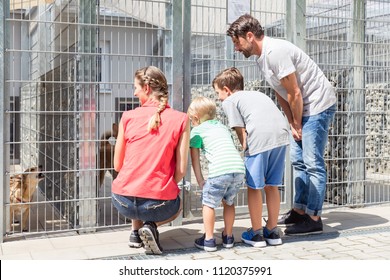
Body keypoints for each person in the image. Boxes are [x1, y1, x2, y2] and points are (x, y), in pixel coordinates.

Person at [227, 14, 337, 235]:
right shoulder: (261, 58)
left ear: (249, 36)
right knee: (297, 161)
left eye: (237, 42)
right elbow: (281, 93)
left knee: (312, 162)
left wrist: (297, 122)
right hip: (299, 108)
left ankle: (314, 217)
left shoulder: (275, 51)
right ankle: (299, 211)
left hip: (317, 105)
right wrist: (291, 121)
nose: (237, 49)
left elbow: (294, 92)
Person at [111, 66, 190, 255]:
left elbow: (117, 166)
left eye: (136, 87)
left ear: (146, 88)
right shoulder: (182, 119)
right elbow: (180, 170)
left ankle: (135, 233)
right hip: (159, 205)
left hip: (121, 201)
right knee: (179, 205)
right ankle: (151, 226)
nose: (134, 92)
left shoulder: (127, 117)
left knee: (135, 181)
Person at [213, 67, 289, 247]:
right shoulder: (257, 94)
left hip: (260, 138)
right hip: (281, 136)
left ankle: (256, 234)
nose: (218, 98)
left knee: (254, 187)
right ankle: (272, 230)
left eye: (218, 93)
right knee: (272, 185)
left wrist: (245, 151)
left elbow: (240, 130)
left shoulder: (230, 101)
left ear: (227, 90)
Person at [188, 96, 245, 252]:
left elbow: (195, 159)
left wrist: (200, 181)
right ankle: (228, 236)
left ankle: (209, 240)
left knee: (208, 203)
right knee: (229, 202)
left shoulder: (197, 131)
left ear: (195, 118)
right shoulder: (222, 127)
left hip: (220, 171)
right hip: (238, 169)